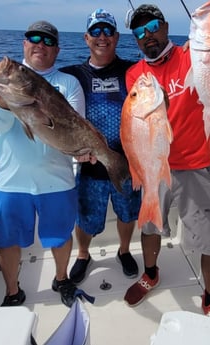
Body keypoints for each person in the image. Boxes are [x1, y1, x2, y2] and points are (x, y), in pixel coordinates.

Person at [123, 4, 210, 320]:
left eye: (152, 26)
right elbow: (138, 126)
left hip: (195, 164)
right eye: (139, 32)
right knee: (150, 224)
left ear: (166, 26)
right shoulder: (134, 75)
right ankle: (151, 273)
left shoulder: (192, 56)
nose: (147, 36)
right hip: (155, 165)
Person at [0, 20, 87, 308]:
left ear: (56, 50)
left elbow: (75, 126)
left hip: (57, 179)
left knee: (61, 235)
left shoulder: (68, 83)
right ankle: (12, 291)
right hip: (11, 181)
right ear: (24, 44)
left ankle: (62, 278)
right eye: (34, 38)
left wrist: (84, 148)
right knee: (7, 240)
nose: (40, 44)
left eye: (48, 40)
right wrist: (6, 102)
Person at [60, 9, 142, 284]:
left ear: (117, 36)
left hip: (127, 162)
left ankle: (124, 250)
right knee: (85, 218)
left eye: (108, 31)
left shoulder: (133, 70)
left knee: (128, 212)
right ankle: (83, 254)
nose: (102, 37)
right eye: (96, 31)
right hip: (90, 163)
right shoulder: (72, 75)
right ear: (86, 38)